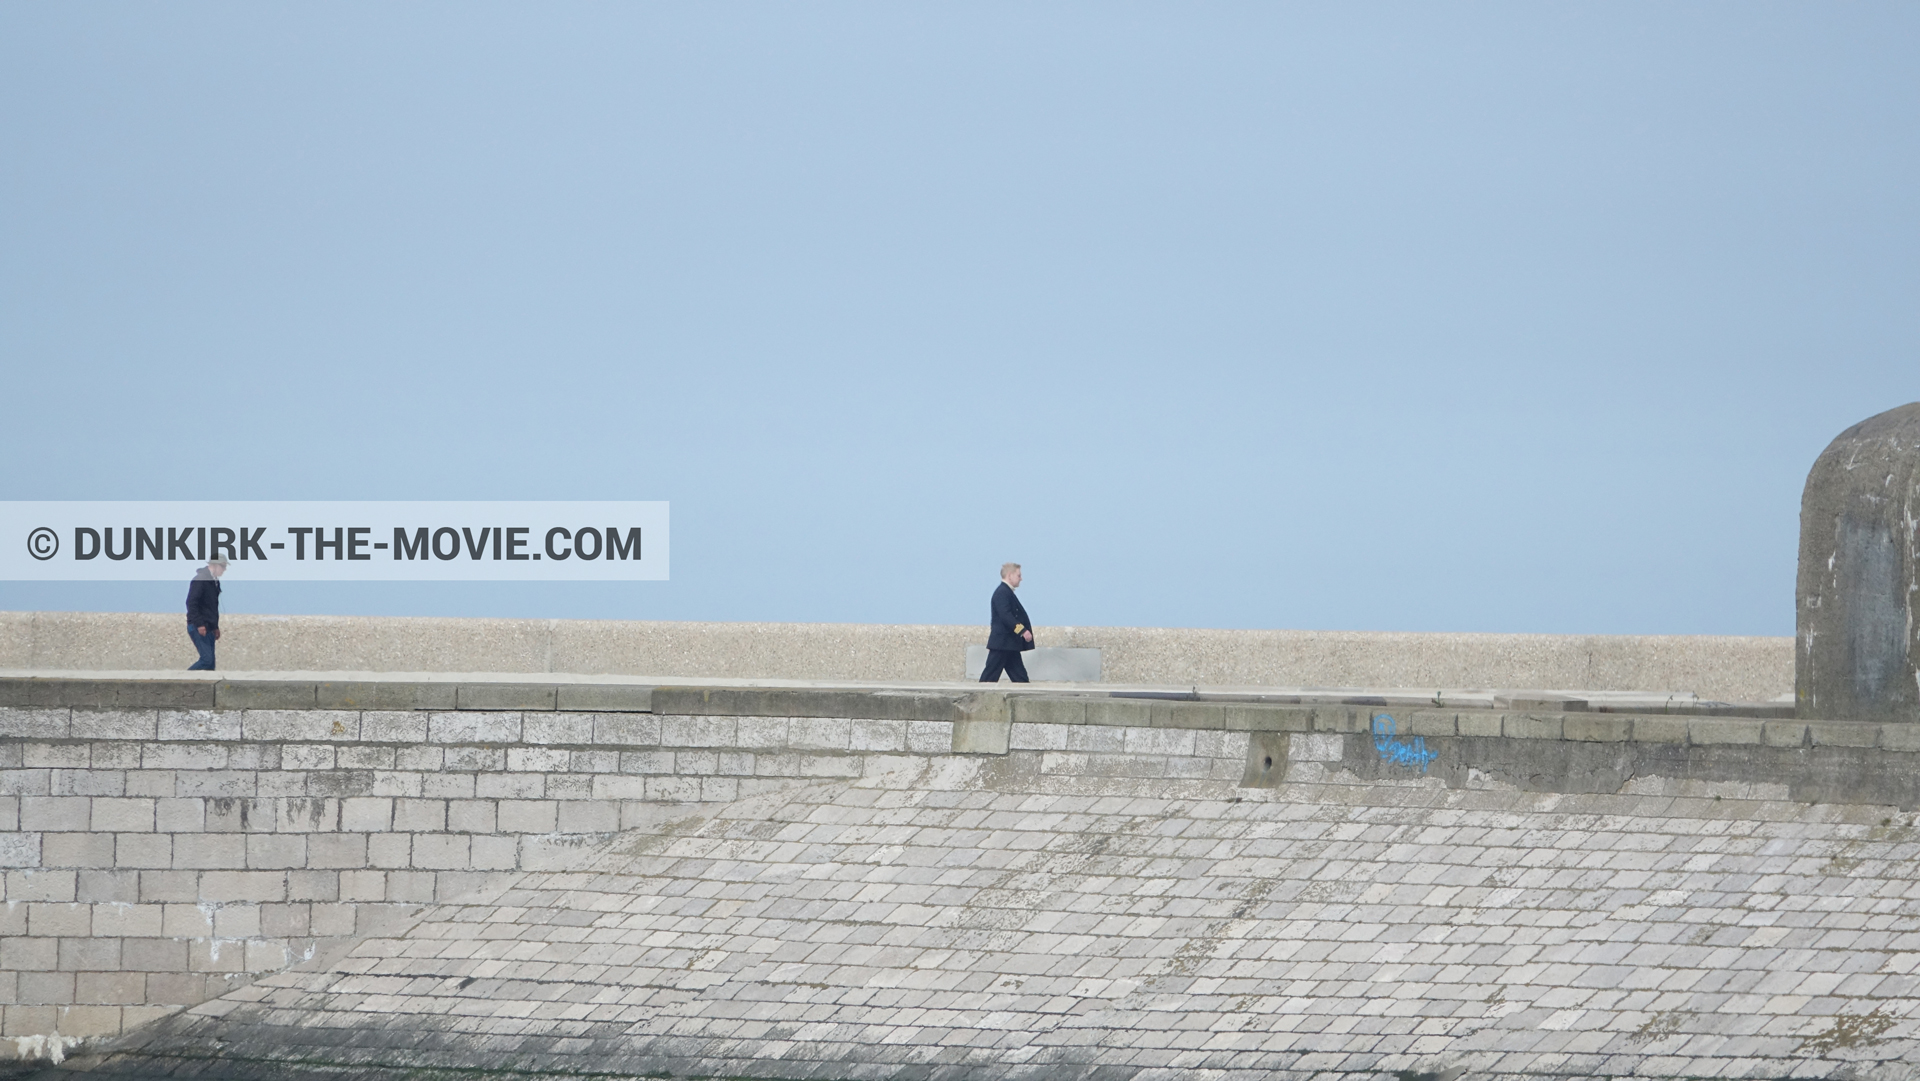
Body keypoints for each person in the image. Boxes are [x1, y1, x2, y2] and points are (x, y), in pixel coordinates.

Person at [980, 562, 1034, 683]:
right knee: (989, 677)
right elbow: (1006, 616)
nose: (1021, 579)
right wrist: (1023, 631)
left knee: (1020, 678)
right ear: (1010, 575)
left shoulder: (1006, 592)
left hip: (1009, 644)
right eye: (1018, 575)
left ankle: (1024, 697)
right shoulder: (1002, 593)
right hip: (1002, 643)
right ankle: (977, 698)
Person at [186, 558, 226, 671]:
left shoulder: (214, 582)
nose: (224, 570)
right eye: (223, 567)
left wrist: (215, 627)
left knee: (210, 665)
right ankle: (183, 679)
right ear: (215, 565)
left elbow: (212, 607)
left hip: (209, 627)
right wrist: (199, 624)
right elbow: (191, 603)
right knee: (206, 660)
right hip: (198, 625)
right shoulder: (200, 579)